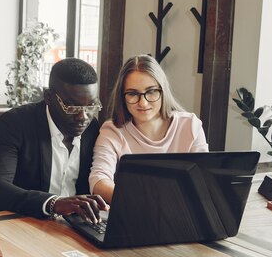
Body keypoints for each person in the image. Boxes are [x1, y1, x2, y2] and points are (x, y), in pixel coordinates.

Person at [0, 58, 108, 223]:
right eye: (71, 107)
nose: (83, 117)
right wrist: (52, 203)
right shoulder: (17, 123)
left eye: (91, 106)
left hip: (72, 228)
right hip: (21, 223)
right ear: (48, 97)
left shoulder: (92, 129)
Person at [89, 54, 209, 203]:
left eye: (151, 91)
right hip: (133, 214)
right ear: (122, 96)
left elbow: (203, 181)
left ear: (162, 90)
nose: (143, 103)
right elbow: (99, 181)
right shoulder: (112, 131)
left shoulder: (190, 125)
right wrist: (140, 202)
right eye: (133, 94)